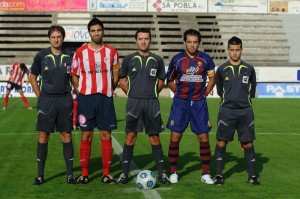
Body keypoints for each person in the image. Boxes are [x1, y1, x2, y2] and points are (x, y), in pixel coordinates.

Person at [117, 28, 170, 185]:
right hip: (134, 102)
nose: (143, 41)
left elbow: (161, 82)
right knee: (130, 136)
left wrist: (152, 93)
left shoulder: (158, 60)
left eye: (146, 38)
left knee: (154, 137)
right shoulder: (128, 59)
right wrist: (132, 94)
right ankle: (124, 174)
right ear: (136, 40)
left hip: (152, 103)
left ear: (150, 40)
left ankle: (161, 174)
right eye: (140, 38)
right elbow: (121, 81)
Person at [71, 17, 120, 184]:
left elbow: (115, 76)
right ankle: (84, 174)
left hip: (105, 99)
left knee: (106, 135)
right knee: (86, 135)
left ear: (103, 31)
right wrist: (82, 92)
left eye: (99, 30)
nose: (96, 33)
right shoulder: (80, 52)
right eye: (93, 30)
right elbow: (74, 75)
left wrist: (108, 90)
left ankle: (106, 173)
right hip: (86, 99)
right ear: (89, 32)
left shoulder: (113, 53)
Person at [166, 29, 215, 184]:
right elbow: (170, 80)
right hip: (180, 103)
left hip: (199, 103)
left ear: (198, 43)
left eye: (195, 42)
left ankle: (206, 173)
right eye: (189, 42)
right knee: (175, 136)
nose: (192, 45)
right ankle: (173, 172)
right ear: (185, 42)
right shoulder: (177, 59)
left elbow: (212, 79)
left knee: (203, 137)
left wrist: (205, 93)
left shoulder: (206, 59)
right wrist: (179, 93)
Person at [30, 25, 75, 185]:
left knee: (66, 135)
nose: (56, 39)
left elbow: (75, 77)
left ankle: (70, 175)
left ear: (63, 38)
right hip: (47, 100)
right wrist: (40, 97)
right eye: (53, 37)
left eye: (59, 37)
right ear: (49, 38)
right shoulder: (41, 55)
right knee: (43, 136)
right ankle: (40, 175)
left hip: (65, 99)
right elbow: (32, 77)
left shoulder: (71, 55)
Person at [213, 36, 260, 185]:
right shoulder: (221, 69)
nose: (234, 53)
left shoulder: (249, 69)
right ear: (228, 50)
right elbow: (220, 89)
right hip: (227, 111)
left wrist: (243, 100)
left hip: (245, 111)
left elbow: (252, 87)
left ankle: (252, 177)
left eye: (237, 50)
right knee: (221, 142)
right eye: (232, 50)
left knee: (248, 143)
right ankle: (219, 176)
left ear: (241, 50)